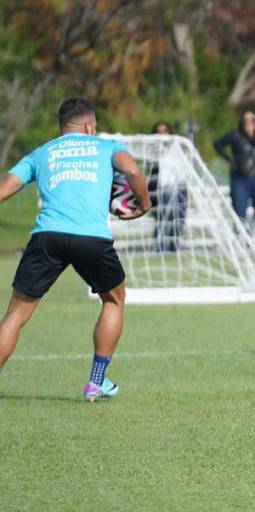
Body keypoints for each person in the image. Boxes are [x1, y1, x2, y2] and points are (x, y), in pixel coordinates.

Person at [0, 97, 151, 401]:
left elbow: (4, 189)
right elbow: (133, 172)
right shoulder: (107, 147)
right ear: (88, 125)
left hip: (48, 236)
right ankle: (96, 382)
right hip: (91, 238)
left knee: (15, 315)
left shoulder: (42, 152)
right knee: (114, 298)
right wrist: (144, 205)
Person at [214, 110, 255, 252]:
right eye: (246, 121)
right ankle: (237, 247)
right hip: (240, 180)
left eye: (252, 121)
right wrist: (231, 160)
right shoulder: (235, 136)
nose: (249, 124)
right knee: (239, 215)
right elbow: (217, 144)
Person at [150, 121, 188, 253]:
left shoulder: (178, 147)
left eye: (165, 131)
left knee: (178, 221)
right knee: (164, 221)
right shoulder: (154, 150)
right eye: (159, 132)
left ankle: (174, 249)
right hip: (163, 190)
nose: (163, 134)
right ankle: (161, 249)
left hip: (180, 189)